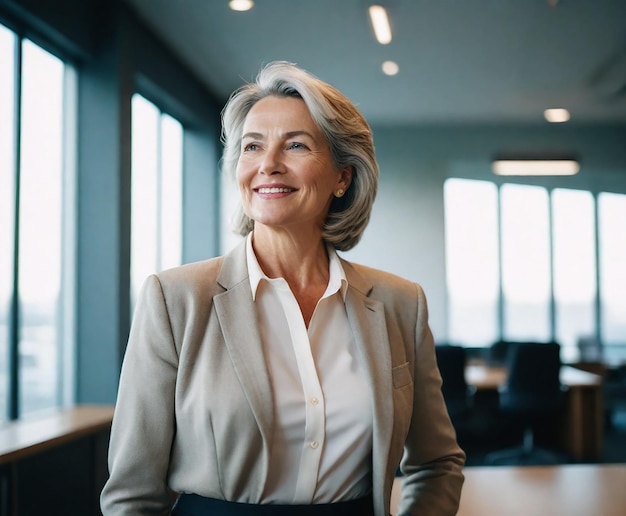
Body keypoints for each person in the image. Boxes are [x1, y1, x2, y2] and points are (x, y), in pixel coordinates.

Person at [100, 60, 465, 516]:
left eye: (295, 145)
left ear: (342, 177)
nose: (268, 165)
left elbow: (437, 463)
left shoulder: (399, 304)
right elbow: (133, 494)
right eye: (252, 147)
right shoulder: (175, 300)